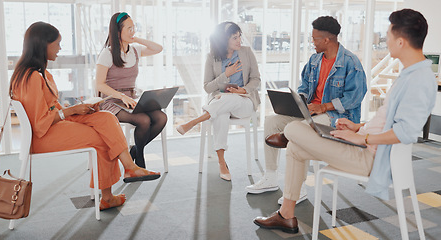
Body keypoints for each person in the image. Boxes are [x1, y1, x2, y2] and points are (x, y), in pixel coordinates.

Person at [254, 8, 436, 234]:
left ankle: (287, 137)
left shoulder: (419, 80)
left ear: (400, 42)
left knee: (292, 129)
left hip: (368, 157)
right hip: (365, 144)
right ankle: (286, 216)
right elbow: (390, 121)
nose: (384, 39)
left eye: (387, 34)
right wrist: (358, 126)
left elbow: (406, 133)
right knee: (294, 149)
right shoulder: (411, 75)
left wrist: (362, 138)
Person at [9, 22, 161, 211]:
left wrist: (77, 108)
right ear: (43, 45)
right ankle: (108, 195)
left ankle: (130, 167)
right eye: (57, 44)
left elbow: (48, 108)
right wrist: (70, 111)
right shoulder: (31, 77)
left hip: (52, 125)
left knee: (105, 118)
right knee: (103, 138)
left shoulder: (38, 73)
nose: (60, 49)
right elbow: (40, 123)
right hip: (41, 136)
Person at [246, 16, 367, 205]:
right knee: (271, 121)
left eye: (315, 39)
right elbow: (304, 87)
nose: (312, 43)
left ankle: (299, 188)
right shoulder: (314, 60)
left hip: (336, 116)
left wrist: (324, 107)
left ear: (327, 40)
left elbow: (355, 97)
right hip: (311, 112)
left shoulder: (351, 62)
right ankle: (270, 177)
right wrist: (298, 101)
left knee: (300, 129)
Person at [176, 21, 261, 181]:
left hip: (244, 102)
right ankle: (222, 162)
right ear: (224, 40)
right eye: (234, 37)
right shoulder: (211, 57)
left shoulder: (247, 52)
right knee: (221, 113)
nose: (239, 40)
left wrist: (242, 90)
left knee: (226, 101)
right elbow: (207, 87)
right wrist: (226, 74)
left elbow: (256, 79)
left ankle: (194, 121)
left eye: (239, 36)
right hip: (222, 102)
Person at [96, 12, 165, 169]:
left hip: (131, 99)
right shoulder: (107, 54)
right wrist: (120, 96)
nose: (133, 31)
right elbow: (99, 85)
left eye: (134, 27)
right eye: (129, 28)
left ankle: (135, 149)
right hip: (111, 101)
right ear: (117, 31)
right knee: (144, 120)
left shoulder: (135, 50)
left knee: (161, 118)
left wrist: (135, 38)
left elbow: (158, 48)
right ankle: (139, 158)